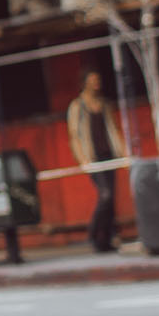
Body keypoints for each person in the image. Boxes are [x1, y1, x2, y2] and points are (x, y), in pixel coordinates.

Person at [67, 69, 125, 253]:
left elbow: (114, 129)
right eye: (92, 80)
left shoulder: (104, 104)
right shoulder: (77, 106)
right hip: (92, 157)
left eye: (98, 79)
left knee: (111, 198)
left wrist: (123, 153)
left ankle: (104, 240)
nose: (96, 83)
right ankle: (93, 232)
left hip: (109, 154)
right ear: (85, 83)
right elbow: (74, 135)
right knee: (105, 194)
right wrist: (82, 159)